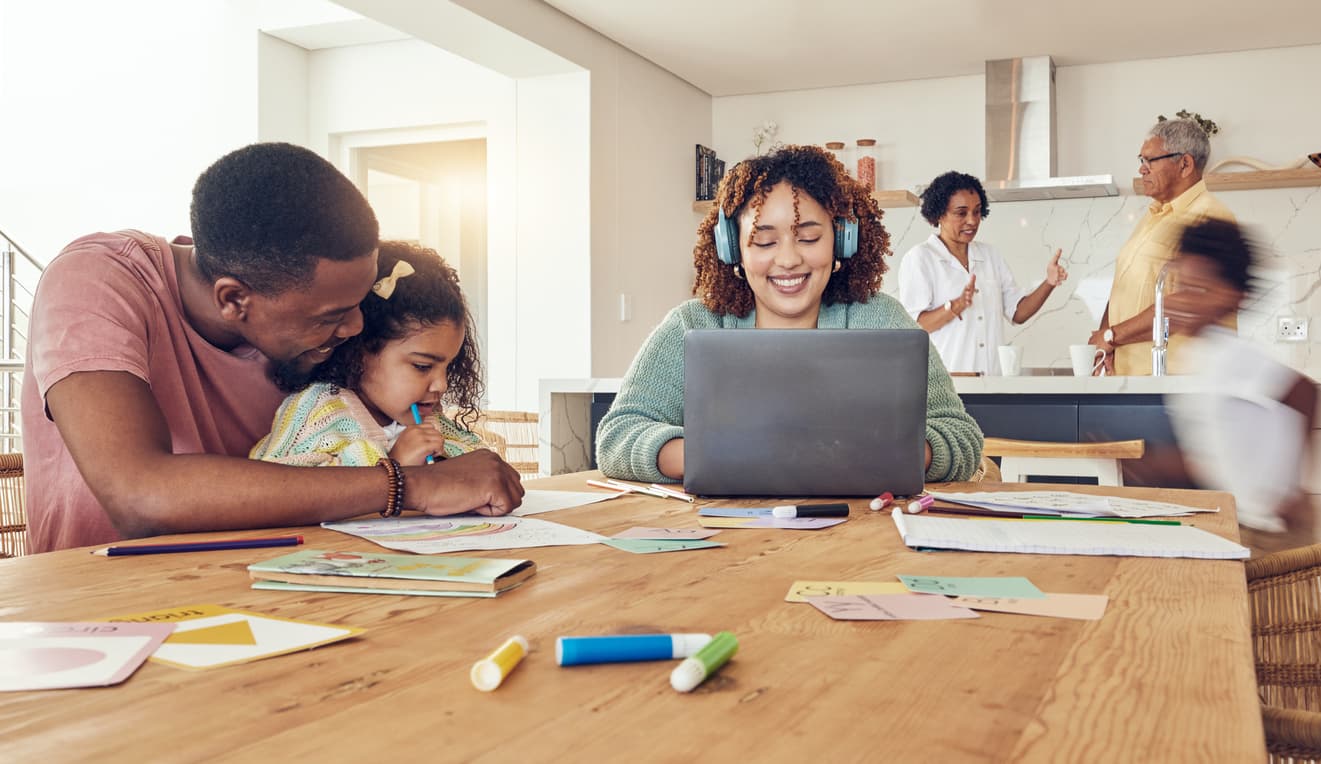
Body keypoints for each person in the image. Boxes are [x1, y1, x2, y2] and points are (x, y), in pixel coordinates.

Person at [22, 142, 523, 553]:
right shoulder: (96, 282)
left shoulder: (294, 318)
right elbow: (140, 497)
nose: (352, 328)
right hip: (103, 605)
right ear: (235, 299)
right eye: (330, 316)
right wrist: (409, 486)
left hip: (266, 580)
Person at [596, 145, 983, 484]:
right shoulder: (692, 324)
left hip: (858, 539)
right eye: (763, 240)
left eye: (809, 237)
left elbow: (961, 436)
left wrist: (884, 455)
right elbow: (617, 437)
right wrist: (726, 456)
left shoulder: (880, 318)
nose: (788, 259)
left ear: (842, 240)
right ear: (733, 248)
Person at [251, 241, 488, 467]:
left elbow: (479, 458)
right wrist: (393, 463)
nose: (442, 384)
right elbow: (286, 485)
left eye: (448, 366)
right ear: (360, 352)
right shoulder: (318, 408)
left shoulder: (429, 421)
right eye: (422, 366)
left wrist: (445, 457)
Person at [1163, 218, 1319, 555]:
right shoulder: (1197, 355)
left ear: (1236, 298)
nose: (1183, 300)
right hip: (1239, 524)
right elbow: (1217, 443)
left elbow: (1308, 394)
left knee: (1280, 608)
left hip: (1272, 533)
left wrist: (1298, 490)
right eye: (1180, 285)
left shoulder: (1234, 355)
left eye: (1199, 290)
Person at [1089, 118, 1236, 375]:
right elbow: (1121, 288)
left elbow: (1191, 304)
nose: (1142, 169)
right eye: (1141, 160)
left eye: (1150, 160)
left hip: (1178, 383)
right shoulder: (1152, 216)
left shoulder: (1208, 217)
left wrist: (1112, 336)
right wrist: (1106, 345)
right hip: (1134, 380)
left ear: (1185, 164)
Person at [897, 171, 1067, 374]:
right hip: (947, 385)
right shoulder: (920, 258)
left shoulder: (990, 255)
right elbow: (914, 329)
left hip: (992, 383)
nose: (972, 220)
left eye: (977, 212)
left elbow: (1018, 313)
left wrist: (1049, 282)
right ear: (939, 214)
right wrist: (955, 306)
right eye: (961, 213)